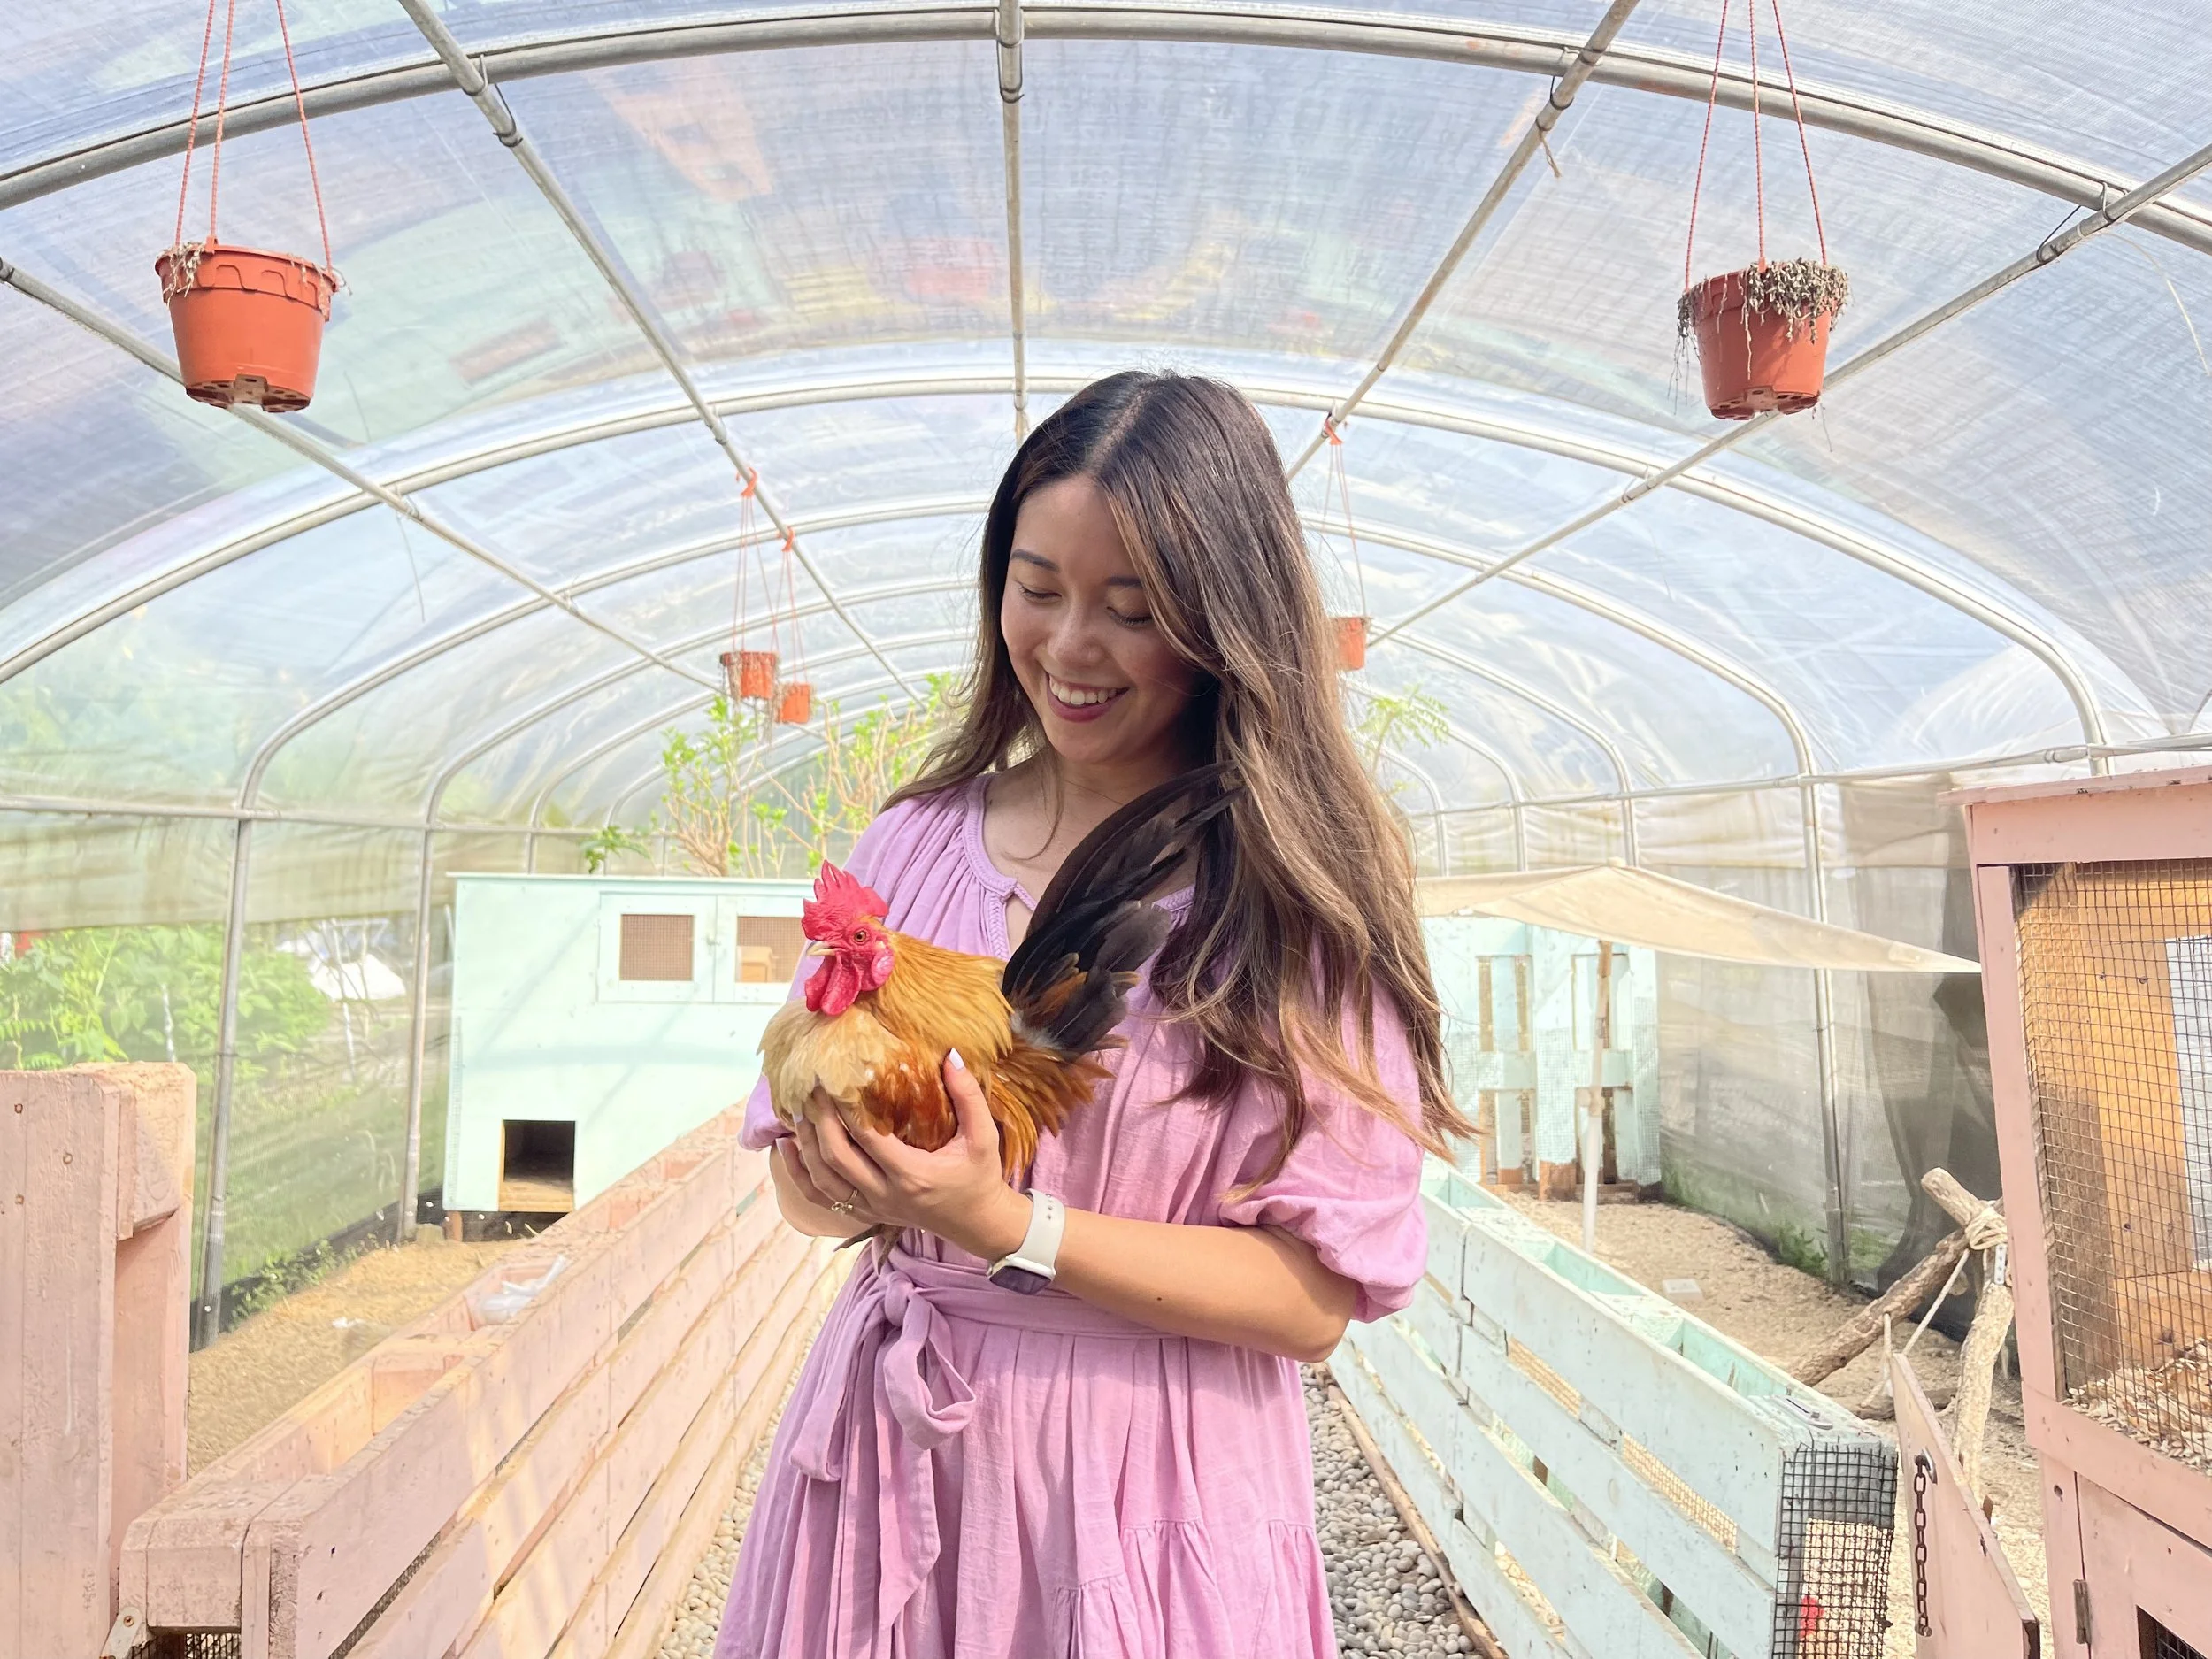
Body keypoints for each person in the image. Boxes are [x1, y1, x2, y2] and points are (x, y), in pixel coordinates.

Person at [713, 370, 1469, 1659]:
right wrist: (851, 1179)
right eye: (1038, 585)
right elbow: (798, 1195)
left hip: (1147, 1484)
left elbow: (1315, 1299)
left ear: (1228, 621)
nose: (1068, 645)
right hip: (892, 1444)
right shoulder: (911, 838)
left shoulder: (1285, 897)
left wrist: (1006, 1222)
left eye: (1132, 609)